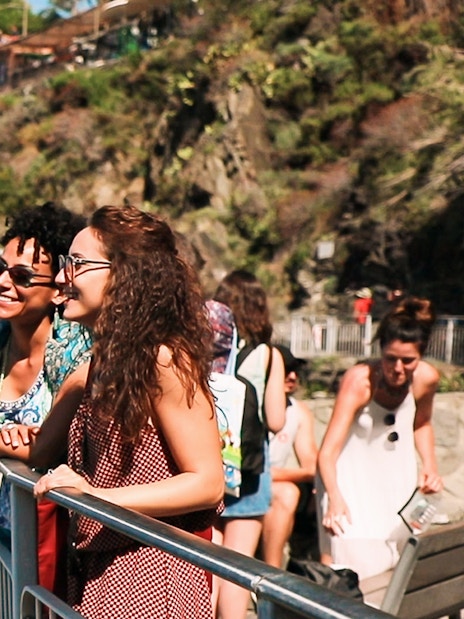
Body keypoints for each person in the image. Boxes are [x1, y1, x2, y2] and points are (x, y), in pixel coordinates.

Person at [25, 205, 223, 618]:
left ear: (125, 274)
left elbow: (207, 483)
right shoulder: (102, 364)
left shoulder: (163, 359)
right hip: (101, 573)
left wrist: (96, 498)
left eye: (76, 264)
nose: (63, 277)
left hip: (151, 581)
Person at [0, 201, 92, 592]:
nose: (4, 283)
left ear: (57, 289)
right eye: (0, 269)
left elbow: (55, 448)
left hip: (46, 549)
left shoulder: (74, 353)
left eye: (21, 276)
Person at [316, 297, 443, 580]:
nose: (398, 368)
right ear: (381, 352)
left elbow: (421, 423)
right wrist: (334, 497)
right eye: (390, 359)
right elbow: (327, 452)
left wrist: (430, 467)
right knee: (347, 554)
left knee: (395, 554)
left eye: (408, 361)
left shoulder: (426, 379)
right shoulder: (359, 381)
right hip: (348, 476)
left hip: (393, 474)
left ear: (420, 356)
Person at [210, 269, 286, 619]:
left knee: (209, 568)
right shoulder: (268, 355)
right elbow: (276, 421)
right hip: (252, 473)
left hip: (211, 467)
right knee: (237, 574)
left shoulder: (207, 351)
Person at [260, 345, 318, 569]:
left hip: (269, 482)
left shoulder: (298, 411)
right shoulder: (248, 401)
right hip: (243, 482)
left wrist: (271, 474)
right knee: (287, 492)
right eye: (286, 370)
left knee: (289, 493)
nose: (292, 376)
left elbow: (312, 466)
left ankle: (272, 571)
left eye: (296, 370)